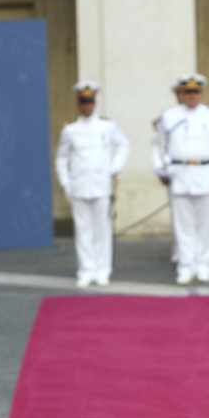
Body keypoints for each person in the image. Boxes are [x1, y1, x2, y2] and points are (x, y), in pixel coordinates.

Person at [152, 73, 209, 285]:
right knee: (182, 225)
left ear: (201, 92)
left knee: (205, 224)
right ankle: (185, 266)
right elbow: (158, 144)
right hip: (179, 174)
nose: (192, 95)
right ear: (182, 93)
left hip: (206, 174)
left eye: (195, 91)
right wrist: (160, 169)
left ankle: (204, 266)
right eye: (188, 91)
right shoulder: (169, 115)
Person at [55, 81, 130, 288]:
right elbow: (61, 159)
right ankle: (86, 270)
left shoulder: (107, 126)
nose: (87, 105)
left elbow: (123, 144)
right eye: (83, 101)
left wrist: (114, 168)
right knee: (83, 230)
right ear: (78, 103)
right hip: (79, 186)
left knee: (102, 230)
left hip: (101, 185)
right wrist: (66, 183)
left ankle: (103, 270)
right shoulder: (70, 130)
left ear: (95, 102)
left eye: (90, 101)